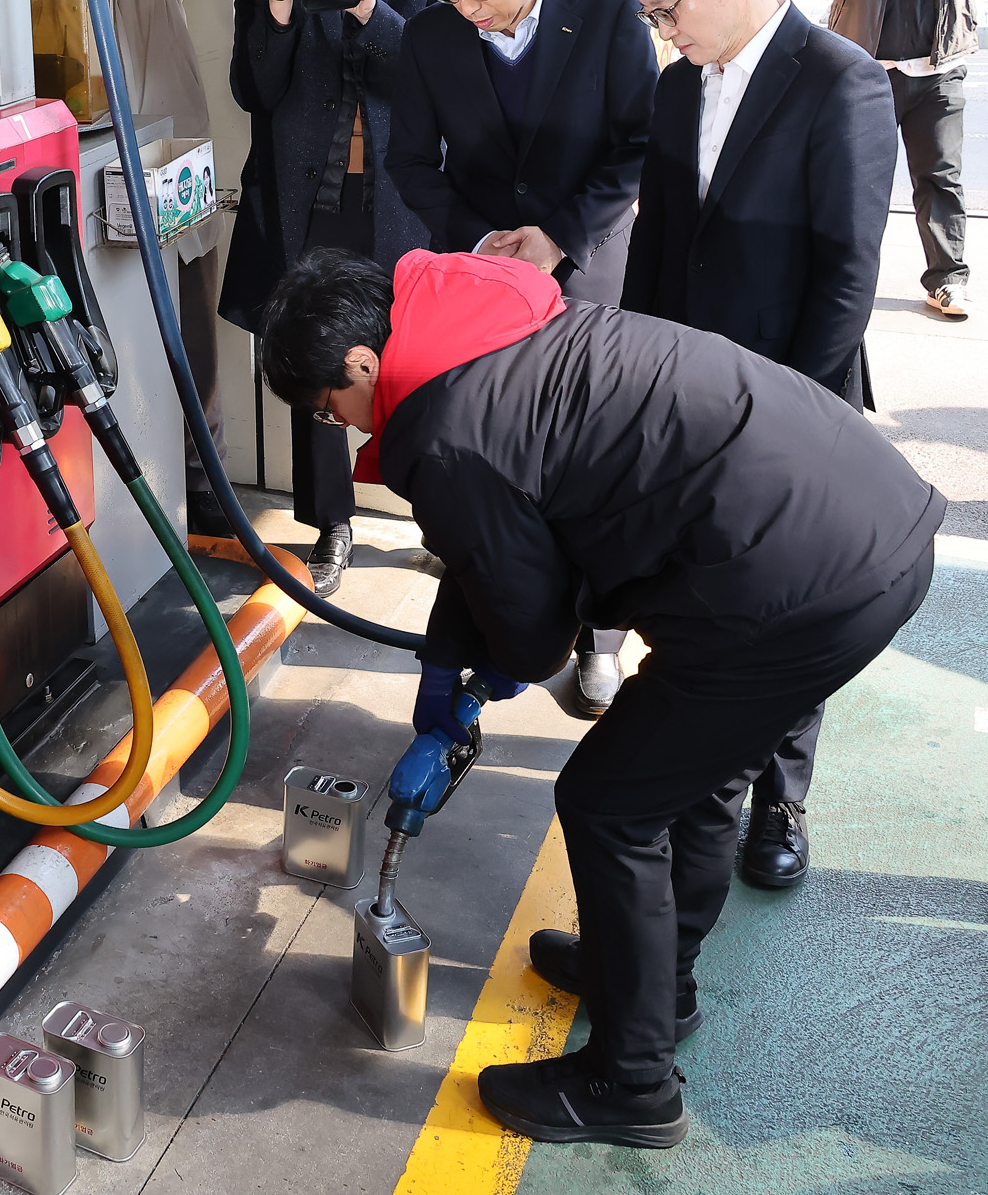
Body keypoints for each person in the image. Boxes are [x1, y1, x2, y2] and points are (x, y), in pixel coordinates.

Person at [260, 246, 942, 1148]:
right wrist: (450, 658)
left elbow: (531, 623)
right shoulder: (485, 323)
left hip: (794, 582)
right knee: (691, 780)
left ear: (359, 363)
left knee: (608, 804)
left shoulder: (443, 427)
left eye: (327, 408)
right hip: (857, 515)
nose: (343, 428)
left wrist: (482, 674)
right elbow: (507, 523)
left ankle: (633, 1085)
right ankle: (658, 982)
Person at [611, 0, 897, 887]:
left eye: (666, 7)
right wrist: (636, 367)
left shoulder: (838, 82)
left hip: (790, 403)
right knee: (702, 591)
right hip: (685, 396)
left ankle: (777, 797)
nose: (660, 29)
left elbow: (845, 275)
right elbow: (655, 239)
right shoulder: (677, 85)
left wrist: (794, 418)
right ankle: (697, 765)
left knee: (785, 601)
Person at [387, 0, 655, 714]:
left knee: (600, 457)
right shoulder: (430, 39)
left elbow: (638, 148)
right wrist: (479, 245)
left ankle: (603, 639)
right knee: (503, 456)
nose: (469, 8)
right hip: (479, 285)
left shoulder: (608, 19)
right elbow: (408, 164)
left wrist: (558, 237)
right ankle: (512, 621)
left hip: (588, 273)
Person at [221, 0, 435, 594]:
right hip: (307, 199)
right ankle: (332, 523)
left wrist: (371, 7)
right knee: (316, 367)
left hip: (398, 205)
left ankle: (434, 510)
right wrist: (274, 4)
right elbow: (254, 90)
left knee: (411, 364)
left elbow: (429, 80)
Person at [28, 0, 227, 534]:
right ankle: (127, 498)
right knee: (108, 338)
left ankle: (204, 483)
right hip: (82, 191)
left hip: (163, 180)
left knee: (192, 337)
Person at [809, 0, 988, 321]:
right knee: (852, 178)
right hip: (868, 73)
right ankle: (837, 277)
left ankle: (948, 280)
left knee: (941, 179)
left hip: (938, 72)